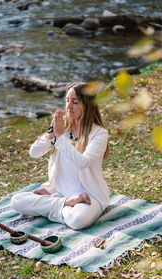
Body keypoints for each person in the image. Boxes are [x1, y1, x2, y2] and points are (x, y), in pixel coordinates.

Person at [11, 82, 110, 230]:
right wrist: (51, 133)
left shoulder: (99, 133)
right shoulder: (62, 128)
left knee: (78, 220)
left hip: (89, 196)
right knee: (16, 201)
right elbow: (34, 153)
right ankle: (65, 203)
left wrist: (59, 136)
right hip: (59, 193)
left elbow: (82, 163)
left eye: (75, 102)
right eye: (67, 101)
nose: (69, 106)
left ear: (87, 105)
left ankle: (56, 206)